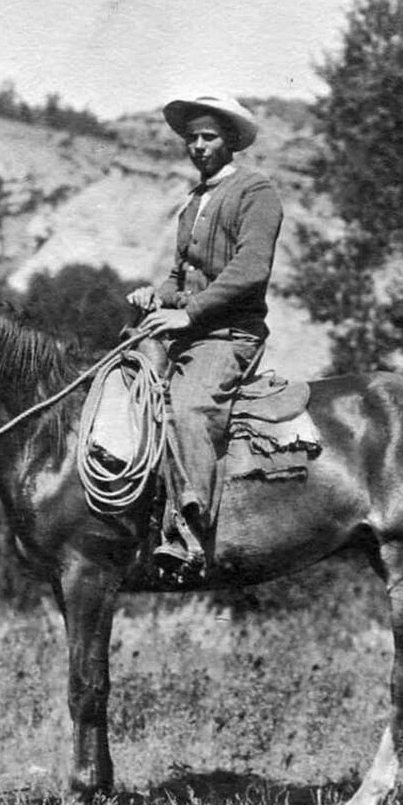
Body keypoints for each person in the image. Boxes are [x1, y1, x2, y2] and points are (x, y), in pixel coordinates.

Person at [126, 95, 284, 576]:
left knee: (189, 408)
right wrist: (156, 296)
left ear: (231, 141)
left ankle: (188, 536)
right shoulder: (193, 202)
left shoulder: (256, 192)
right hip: (189, 329)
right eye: (191, 137)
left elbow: (251, 270)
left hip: (229, 335)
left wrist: (187, 313)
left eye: (208, 136)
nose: (197, 145)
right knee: (126, 390)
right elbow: (182, 274)